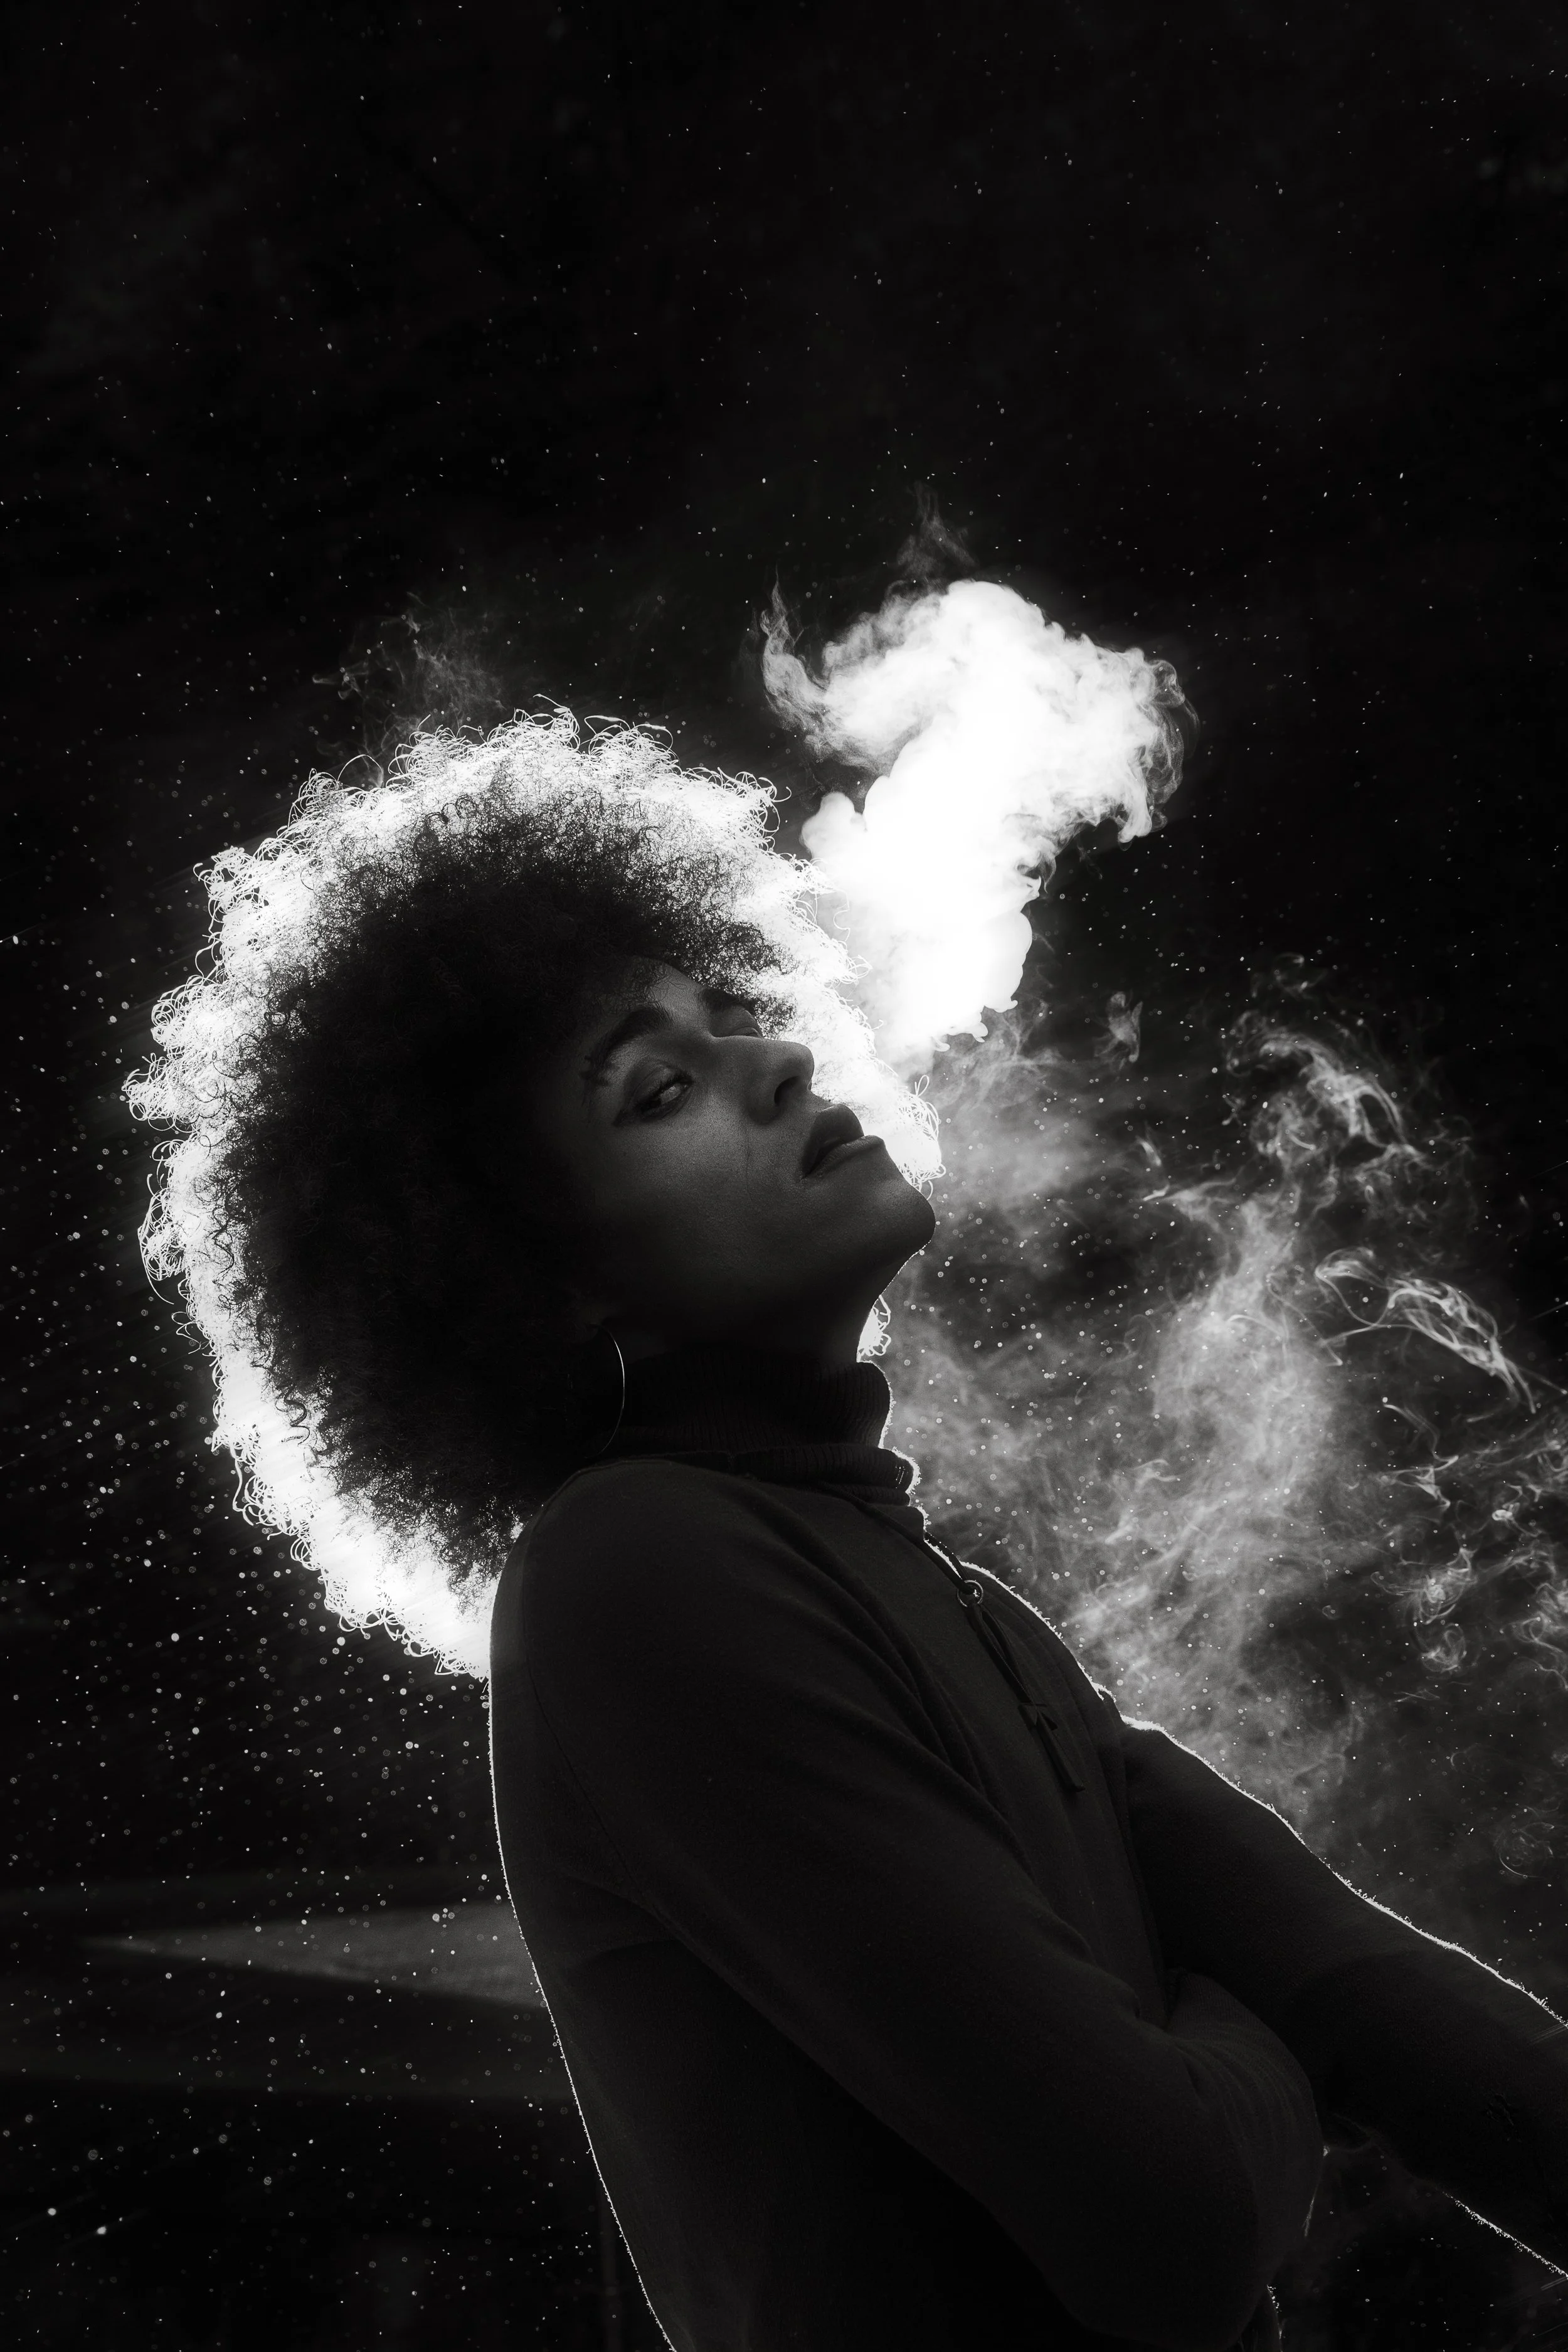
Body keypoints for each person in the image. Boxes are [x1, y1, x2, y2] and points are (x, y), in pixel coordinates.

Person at [132, 716, 1568, 2352]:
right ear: (531, 1285)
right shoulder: (637, 1575)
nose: (779, 1062)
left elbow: (1378, 2009)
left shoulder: (948, 1604)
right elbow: (1165, 2216)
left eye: (732, 1014)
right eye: (659, 1088)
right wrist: (1270, 2047)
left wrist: (1257, 2035)